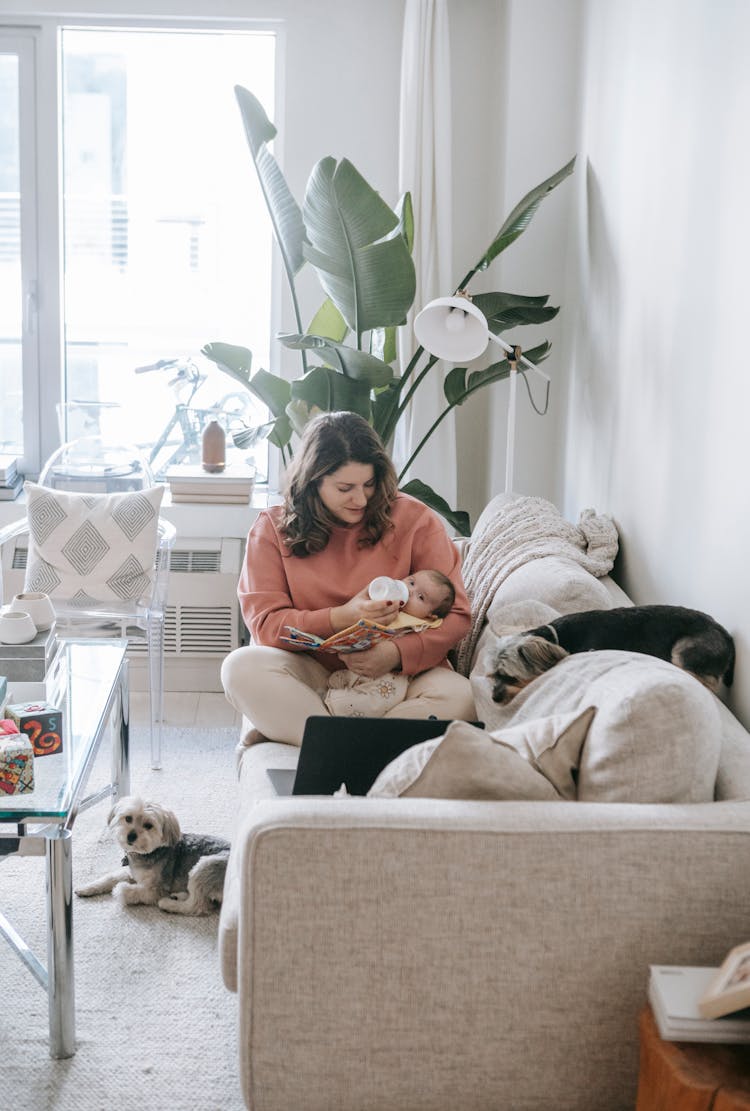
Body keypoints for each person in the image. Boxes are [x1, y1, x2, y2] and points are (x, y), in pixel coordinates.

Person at [221, 411, 475, 746]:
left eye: (369, 484)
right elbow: (265, 625)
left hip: (399, 680)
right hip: (312, 675)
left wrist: (395, 654)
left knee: (463, 696)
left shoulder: (415, 520)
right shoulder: (272, 529)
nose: (361, 499)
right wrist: (343, 617)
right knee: (240, 668)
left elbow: (456, 616)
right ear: (313, 481)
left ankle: (322, 742)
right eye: (345, 488)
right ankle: (353, 748)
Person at [324, 569, 456, 717]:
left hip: (395, 675)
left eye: (420, 597)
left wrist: (398, 652)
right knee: (355, 675)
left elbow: (439, 640)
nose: (409, 591)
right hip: (355, 666)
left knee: (385, 694)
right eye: (411, 582)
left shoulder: (422, 623)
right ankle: (345, 684)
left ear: (431, 615)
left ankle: (343, 707)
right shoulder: (384, 604)